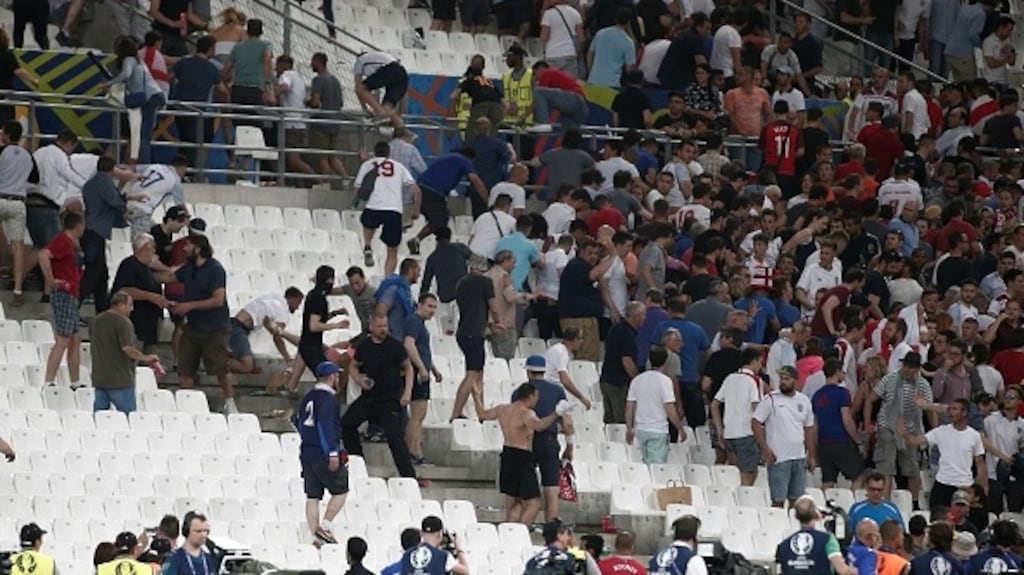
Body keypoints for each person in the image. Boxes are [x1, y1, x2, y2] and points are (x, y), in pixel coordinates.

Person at [475, 380, 572, 523]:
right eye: (536, 396)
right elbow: (539, 426)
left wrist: (476, 396)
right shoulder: (526, 413)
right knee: (534, 503)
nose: (537, 399)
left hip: (507, 455)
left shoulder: (503, 409)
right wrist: (555, 413)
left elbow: (482, 414)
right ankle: (521, 530)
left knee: (515, 502)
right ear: (530, 396)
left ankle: (509, 531)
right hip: (522, 457)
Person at [342, 314, 419, 482]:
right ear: (371, 327)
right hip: (369, 397)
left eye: (385, 326)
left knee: (394, 437)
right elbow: (353, 366)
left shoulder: (395, 346)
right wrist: (359, 380)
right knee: (346, 423)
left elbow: (408, 368)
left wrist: (407, 392)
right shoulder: (364, 345)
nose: (383, 329)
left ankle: (409, 477)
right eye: (380, 326)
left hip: (389, 399)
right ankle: (358, 463)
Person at [174, 233, 238, 414]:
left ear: (197, 248)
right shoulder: (189, 268)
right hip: (193, 326)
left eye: (188, 245)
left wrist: (189, 306)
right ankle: (188, 405)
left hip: (215, 328)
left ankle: (230, 403)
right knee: (185, 367)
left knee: (220, 367)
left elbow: (218, 300)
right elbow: (170, 276)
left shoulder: (215, 270)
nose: (184, 248)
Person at [865, 351, 935, 496]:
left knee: (912, 468)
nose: (907, 370)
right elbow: (870, 399)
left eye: (911, 367)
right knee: (886, 467)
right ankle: (884, 500)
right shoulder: (890, 378)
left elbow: (930, 409)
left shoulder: (923, 385)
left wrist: (935, 431)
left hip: (910, 429)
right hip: (887, 425)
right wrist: (867, 423)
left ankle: (914, 503)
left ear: (917, 369)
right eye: (906, 366)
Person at [899, 398, 987, 509]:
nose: (951, 412)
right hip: (943, 484)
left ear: (964, 413)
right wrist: (904, 434)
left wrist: (982, 487)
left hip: (964, 485)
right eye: (949, 409)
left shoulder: (974, 436)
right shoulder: (941, 431)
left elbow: (980, 463)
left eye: (955, 409)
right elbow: (916, 441)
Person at [298, 361, 348, 545]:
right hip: (322, 453)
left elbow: (299, 421)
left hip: (307, 451)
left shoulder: (307, 397)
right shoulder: (328, 399)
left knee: (313, 496)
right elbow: (326, 426)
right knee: (341, 490)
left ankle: (315, 536)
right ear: (332, 377)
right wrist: (333, 452)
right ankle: (325, 526)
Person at [753, 363, 816, 507]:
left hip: (799, 457)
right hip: (778, 458)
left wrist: (811, 455)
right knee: (778, 500)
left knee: (797, 501)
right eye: (781, 378)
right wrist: (765, 448)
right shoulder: (771, 399)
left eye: (787, 379)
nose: (783, 382)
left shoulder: (804, 400)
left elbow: (809, 428)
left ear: (796, 381)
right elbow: (755, 422)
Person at [356, 141, 421, 276]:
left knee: (367, 223)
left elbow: (357, 188)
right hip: (393, 210)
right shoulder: (399, 167)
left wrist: (365, 161)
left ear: (374, 152)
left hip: (373, 207)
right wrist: (415, 209)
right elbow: (416, 190)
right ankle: (387, 278)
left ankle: (367, 245)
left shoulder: (367, 165)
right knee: (392, 250)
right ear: (389, 153)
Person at [408, 150, 489, 254]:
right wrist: (488, 201)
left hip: (421, 188)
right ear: (470, 159)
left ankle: (432, 246)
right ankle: (423, 242)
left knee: (440, 222)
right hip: (433, 192)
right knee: (440, 221)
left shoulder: (447, 157)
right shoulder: (463, 160)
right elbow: (476, 181)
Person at [91, 291, 159, 413]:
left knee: (100, 417)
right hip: (120, 379)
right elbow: (127, 348)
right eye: (130, 305)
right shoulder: (122, 322)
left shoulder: (96, 320)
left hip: (99, 377)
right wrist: (146, 358)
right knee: (129, 416)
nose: (132, 309)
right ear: (121, 305)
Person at [40, 212, 86, 390]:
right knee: (63, 338)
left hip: (72, 293)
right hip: (64, 294)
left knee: (75, 338)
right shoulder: (63, 241)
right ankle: (48, 381)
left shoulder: (71, 244)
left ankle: (75, 381)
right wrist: (51, 280)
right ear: (79, 225)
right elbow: (43, 255)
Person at [450, 254, 498, 421]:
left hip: (463, 331)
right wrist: (497, 322)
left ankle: (480, 411)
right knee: (472, 375)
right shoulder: (485, 282)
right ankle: (456, 412)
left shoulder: (461, 283)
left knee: (478, 374)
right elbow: (493, 307)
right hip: (475, 333)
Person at [104, 37, 165, 163]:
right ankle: (140, 165)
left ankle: (142, 165)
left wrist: (108, 84)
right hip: (151, 97)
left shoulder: (127, 60)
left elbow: (126, 75)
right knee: (141, 136)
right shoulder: (139, 62)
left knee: (141, 136)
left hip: (143, 100)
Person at [711, 349, 766, 486]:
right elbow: (757, 408)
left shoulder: (730, 378)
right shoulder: (755, 380)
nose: (761, 366)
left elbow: (714, 405)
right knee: (749, 472)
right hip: (747, 432)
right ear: (754, 361)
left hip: (729, 433)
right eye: (760, 362)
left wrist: (720, 430)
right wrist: (762, 432)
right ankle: (745, 497)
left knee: (735, 473)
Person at [0, 121, 38, 308]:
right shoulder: (28, 155)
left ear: (6, 135)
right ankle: (17, 290)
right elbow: (35, 179)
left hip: (1, 198)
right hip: (18, 202)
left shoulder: (2, 152)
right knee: (18, 247)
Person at [625, 347, 682, 464]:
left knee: (643, 465)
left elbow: (629, 407)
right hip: (658, 429)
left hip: (640, 429)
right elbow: (669, 408)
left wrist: (629, 428)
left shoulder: (637, 380)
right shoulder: (665, 381)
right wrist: (679, 427)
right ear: (665, 362)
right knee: (656, 467)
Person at [228, 289, 304, 375]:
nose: (297, 308)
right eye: (298, 303)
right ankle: (217, 362)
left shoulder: (272, 297)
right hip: (239, 330)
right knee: (247, 367)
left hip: (232, 324)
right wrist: (288, 359)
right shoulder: (283, 311)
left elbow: (267, 322)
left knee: (250, 365)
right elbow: (277, 336)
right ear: (292, 298)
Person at [404, 293, 442, 465]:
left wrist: (433, 369)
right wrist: (421, 368)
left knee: (420, 414)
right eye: (429, 306)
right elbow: (409, 344)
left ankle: (415, 452)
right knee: (417, 414)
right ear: (420, 305)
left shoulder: (420, 324)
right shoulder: (414, 321)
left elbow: (422, 349)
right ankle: (414, 452)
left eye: (434, 307)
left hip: (422, 370)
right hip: (417, 373)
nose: (432, 310)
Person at [777, 496, 855, 575]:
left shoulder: (784, 545)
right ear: (816, 514)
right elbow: (842, 570)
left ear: (797, 516)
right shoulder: (827, 540)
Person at [600, 301, 645, 423]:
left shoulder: (615, 328)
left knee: (609, 420)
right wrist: (638, 380)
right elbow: (627, 360)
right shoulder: (627, 334)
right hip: (619, 382)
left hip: (606, 378)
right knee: (621, 420)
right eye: (643, 315)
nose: (644, 318)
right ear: (636, 316)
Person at [420, 227, 470, 335]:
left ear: (436, 240)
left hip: (445, 298)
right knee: (464, 331)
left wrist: (421, 301)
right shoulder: (460, 248)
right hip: (463, 296)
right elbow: (477, 261)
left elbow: (426, 283)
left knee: (447, 333)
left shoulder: (432, 257)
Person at [307, 52, 349, 181]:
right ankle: (346, 180)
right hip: (335, 123)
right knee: (332, 156)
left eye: (313, 61)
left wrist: (307, 102)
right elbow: (340, 102)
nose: (311, 65)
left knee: (322, 157)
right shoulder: (335, 80)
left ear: (318, 62)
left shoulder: (318, 80)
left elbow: (315, 102)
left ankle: (325, 185)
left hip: (321, 123)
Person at [353, 51, 409, 130]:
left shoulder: (360, 60)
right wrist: (400, 114)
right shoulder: (379, 60)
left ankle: (380, 113)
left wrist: (365, 109)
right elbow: (404, 94)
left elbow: (358, 87)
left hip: (390, 69)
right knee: (387, 109)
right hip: (402, 74)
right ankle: (404, 132)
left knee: (361, 88)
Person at [529, 61, 591, 133]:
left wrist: (524, 116)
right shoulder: (557, 74)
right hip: (581, 108)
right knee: (568, 133)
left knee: (538, 91)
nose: (536, 78)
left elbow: (537, 101)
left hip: (574, 99)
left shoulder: (547, 73)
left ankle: (543, 123)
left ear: (540, 68)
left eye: (535, 74)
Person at [399, 516, 469, 575]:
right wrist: (458, 548)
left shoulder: (407, 554)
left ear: (421, 533)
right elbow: (465, 572)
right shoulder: (443, 556)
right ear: (440, 534)